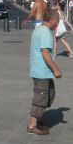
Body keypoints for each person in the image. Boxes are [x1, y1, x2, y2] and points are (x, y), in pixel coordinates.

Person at [27, 8, 62, 136]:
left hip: (40, 70)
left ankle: (38, 119)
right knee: (40, 97)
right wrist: (56, 69)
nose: (57, 24)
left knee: (49, 93)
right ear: (52, 19)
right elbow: (45, 53)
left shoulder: (39, 29)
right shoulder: (45, 32)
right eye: (57, 21)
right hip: (41, 71)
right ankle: (32, 125)